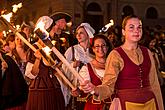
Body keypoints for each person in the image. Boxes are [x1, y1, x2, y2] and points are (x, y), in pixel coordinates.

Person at [80, 15, 164, 110]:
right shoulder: (115, 55)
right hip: (127, 104)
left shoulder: (147, 52)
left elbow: (155, 85)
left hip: (150, 104)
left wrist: (160, 107)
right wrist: (95, 89)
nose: (136, 30)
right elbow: (108, 87)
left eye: (139, 27)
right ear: (124, 32)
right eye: (131, 27)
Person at [25, 16, 65, 110]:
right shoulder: (34, 48)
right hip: (40, 90)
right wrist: (38, 59)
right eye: (52, 29)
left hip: (54, 87)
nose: (54, 31)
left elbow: (55, 70)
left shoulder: (53, 47)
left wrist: (58, 66)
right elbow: (31, 74)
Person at [62, 23, 95, 109]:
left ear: (88, 34)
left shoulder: (94, 50)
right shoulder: (72, 50)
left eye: (81, 33)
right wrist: (73, 64)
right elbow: (63, 68)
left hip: (91, 88)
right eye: (77, 33)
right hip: (76, 89)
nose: (78, 35)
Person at [78, 34, 112, 110]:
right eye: (97, 46)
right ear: (93, 49)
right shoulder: (87, 68)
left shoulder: (114, 65)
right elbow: (83, 91)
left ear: (107, 47)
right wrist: (80, 90)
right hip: (94, 107)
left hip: (114, 106)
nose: (100, 48)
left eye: (103, 45)